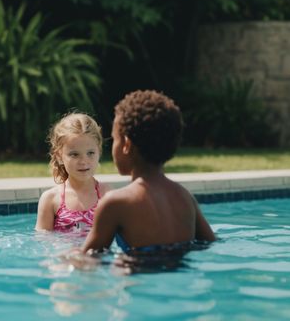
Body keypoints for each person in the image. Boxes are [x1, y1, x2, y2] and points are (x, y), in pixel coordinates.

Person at [80, 90, 215, 254]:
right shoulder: (185, 197)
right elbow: (210, 243)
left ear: (126, 144)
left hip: (136, 277)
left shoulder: (114, 202)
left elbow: (87, 257)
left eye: (115, 138)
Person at [35, 113, 112, 232]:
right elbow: (43, 243)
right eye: (74, 154)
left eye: (90, 153)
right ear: (59, 156)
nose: (83, 161)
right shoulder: (51, 199)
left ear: (99, 152)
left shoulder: (106, 195)